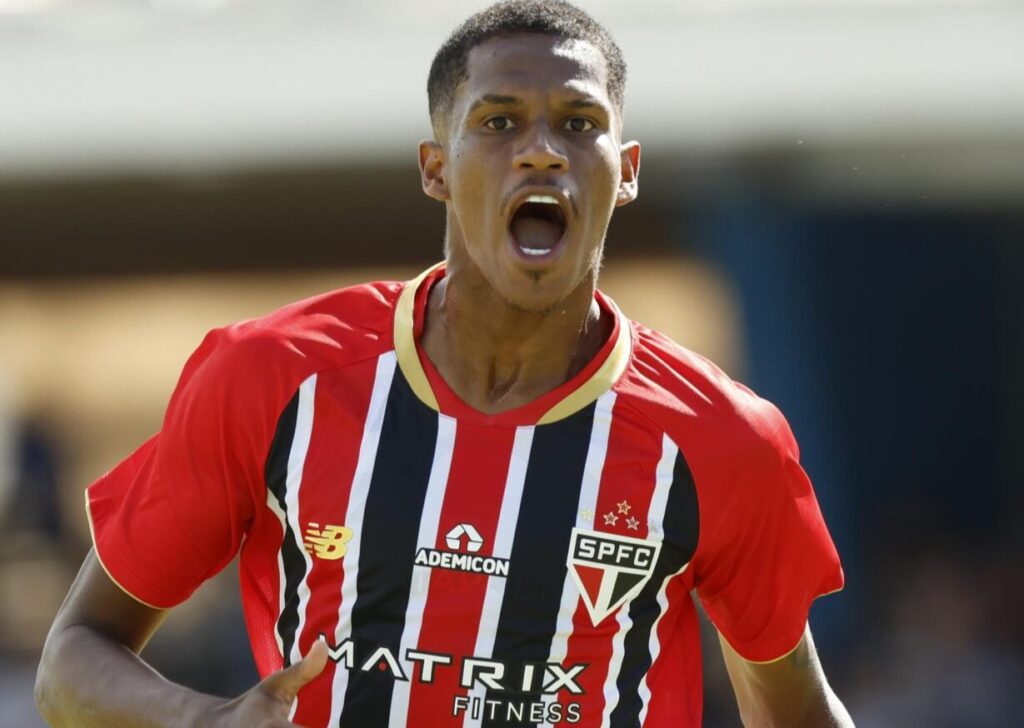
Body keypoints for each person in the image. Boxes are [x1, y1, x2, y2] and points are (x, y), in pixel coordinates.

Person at [35, 1, 852, 726]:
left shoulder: (722, 441)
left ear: (626, 173)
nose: (541, 152)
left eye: (578, 122)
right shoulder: (272, 378)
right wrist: (204, 720)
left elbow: (798, 716)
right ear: (436, 169)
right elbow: (71, 663)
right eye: (499, 123)